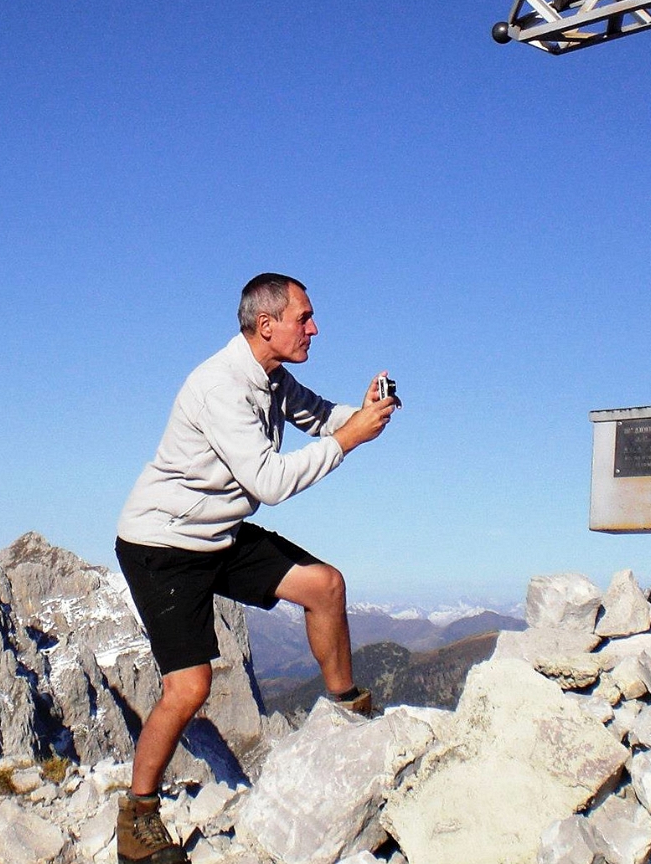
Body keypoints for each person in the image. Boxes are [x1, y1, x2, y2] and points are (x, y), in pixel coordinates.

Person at [112, 272, 398, 864]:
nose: (314, 328)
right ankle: (136, 816)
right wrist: (350, 440)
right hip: (162, 546)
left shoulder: (271, 377)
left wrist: (363, 413)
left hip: (216, 532)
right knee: (189, 687)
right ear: (266, 325)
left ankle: (347, 713)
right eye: (305, 318)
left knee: (325, 586)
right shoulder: (219, 385)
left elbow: (319, 414)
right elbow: (268, 482)